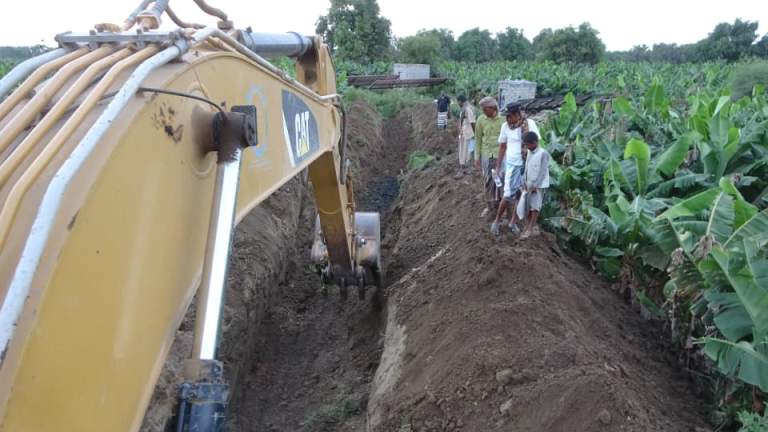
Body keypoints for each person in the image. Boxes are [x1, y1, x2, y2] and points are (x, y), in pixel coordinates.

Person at [490, 103, 540, 236]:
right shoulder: (505, 127)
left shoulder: (529, 124)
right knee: (507, 195)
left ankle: (513, 222)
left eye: (509, 116)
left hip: (527, 165)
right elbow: (502, 147)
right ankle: (496, 221)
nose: (507, 119)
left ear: (517, 115)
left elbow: (536, 145)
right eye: (506, 117)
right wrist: (498, 166)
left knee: (521, 196)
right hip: (512, 166)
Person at [474, 97, 505, 210]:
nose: (483, 112)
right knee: (487, 180)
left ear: (493, 108)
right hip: (486, 154)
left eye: (485, 109)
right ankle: (489, 205)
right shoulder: (481, 120)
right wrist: (477, 157)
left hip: (500, 155)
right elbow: (477, 139)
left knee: (500, 179)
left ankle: (500, 204)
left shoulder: (503, 119)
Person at [520, 131, 550, 239]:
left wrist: (536, 185)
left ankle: (530, 229)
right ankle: (529, 226)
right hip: (529, 183)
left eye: (528, 144)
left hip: (538, 185)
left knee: (535, 207)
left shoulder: (543, 154)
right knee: (527, 206)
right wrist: (524, 181)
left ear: (534, 142)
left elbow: (543, 172)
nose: (527, 147)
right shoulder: (529, 152)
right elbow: (526, 168)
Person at [456, 95, 476, 173]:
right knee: (463, 149)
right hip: (464, 132)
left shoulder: (468, 109)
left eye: (458, 102)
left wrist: (475, 133)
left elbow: (472, 122)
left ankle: (467, 166)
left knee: (467, 149)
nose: (458, 103)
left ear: (461, 101)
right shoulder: (463, 109)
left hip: (468, 132)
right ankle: (463, 164)